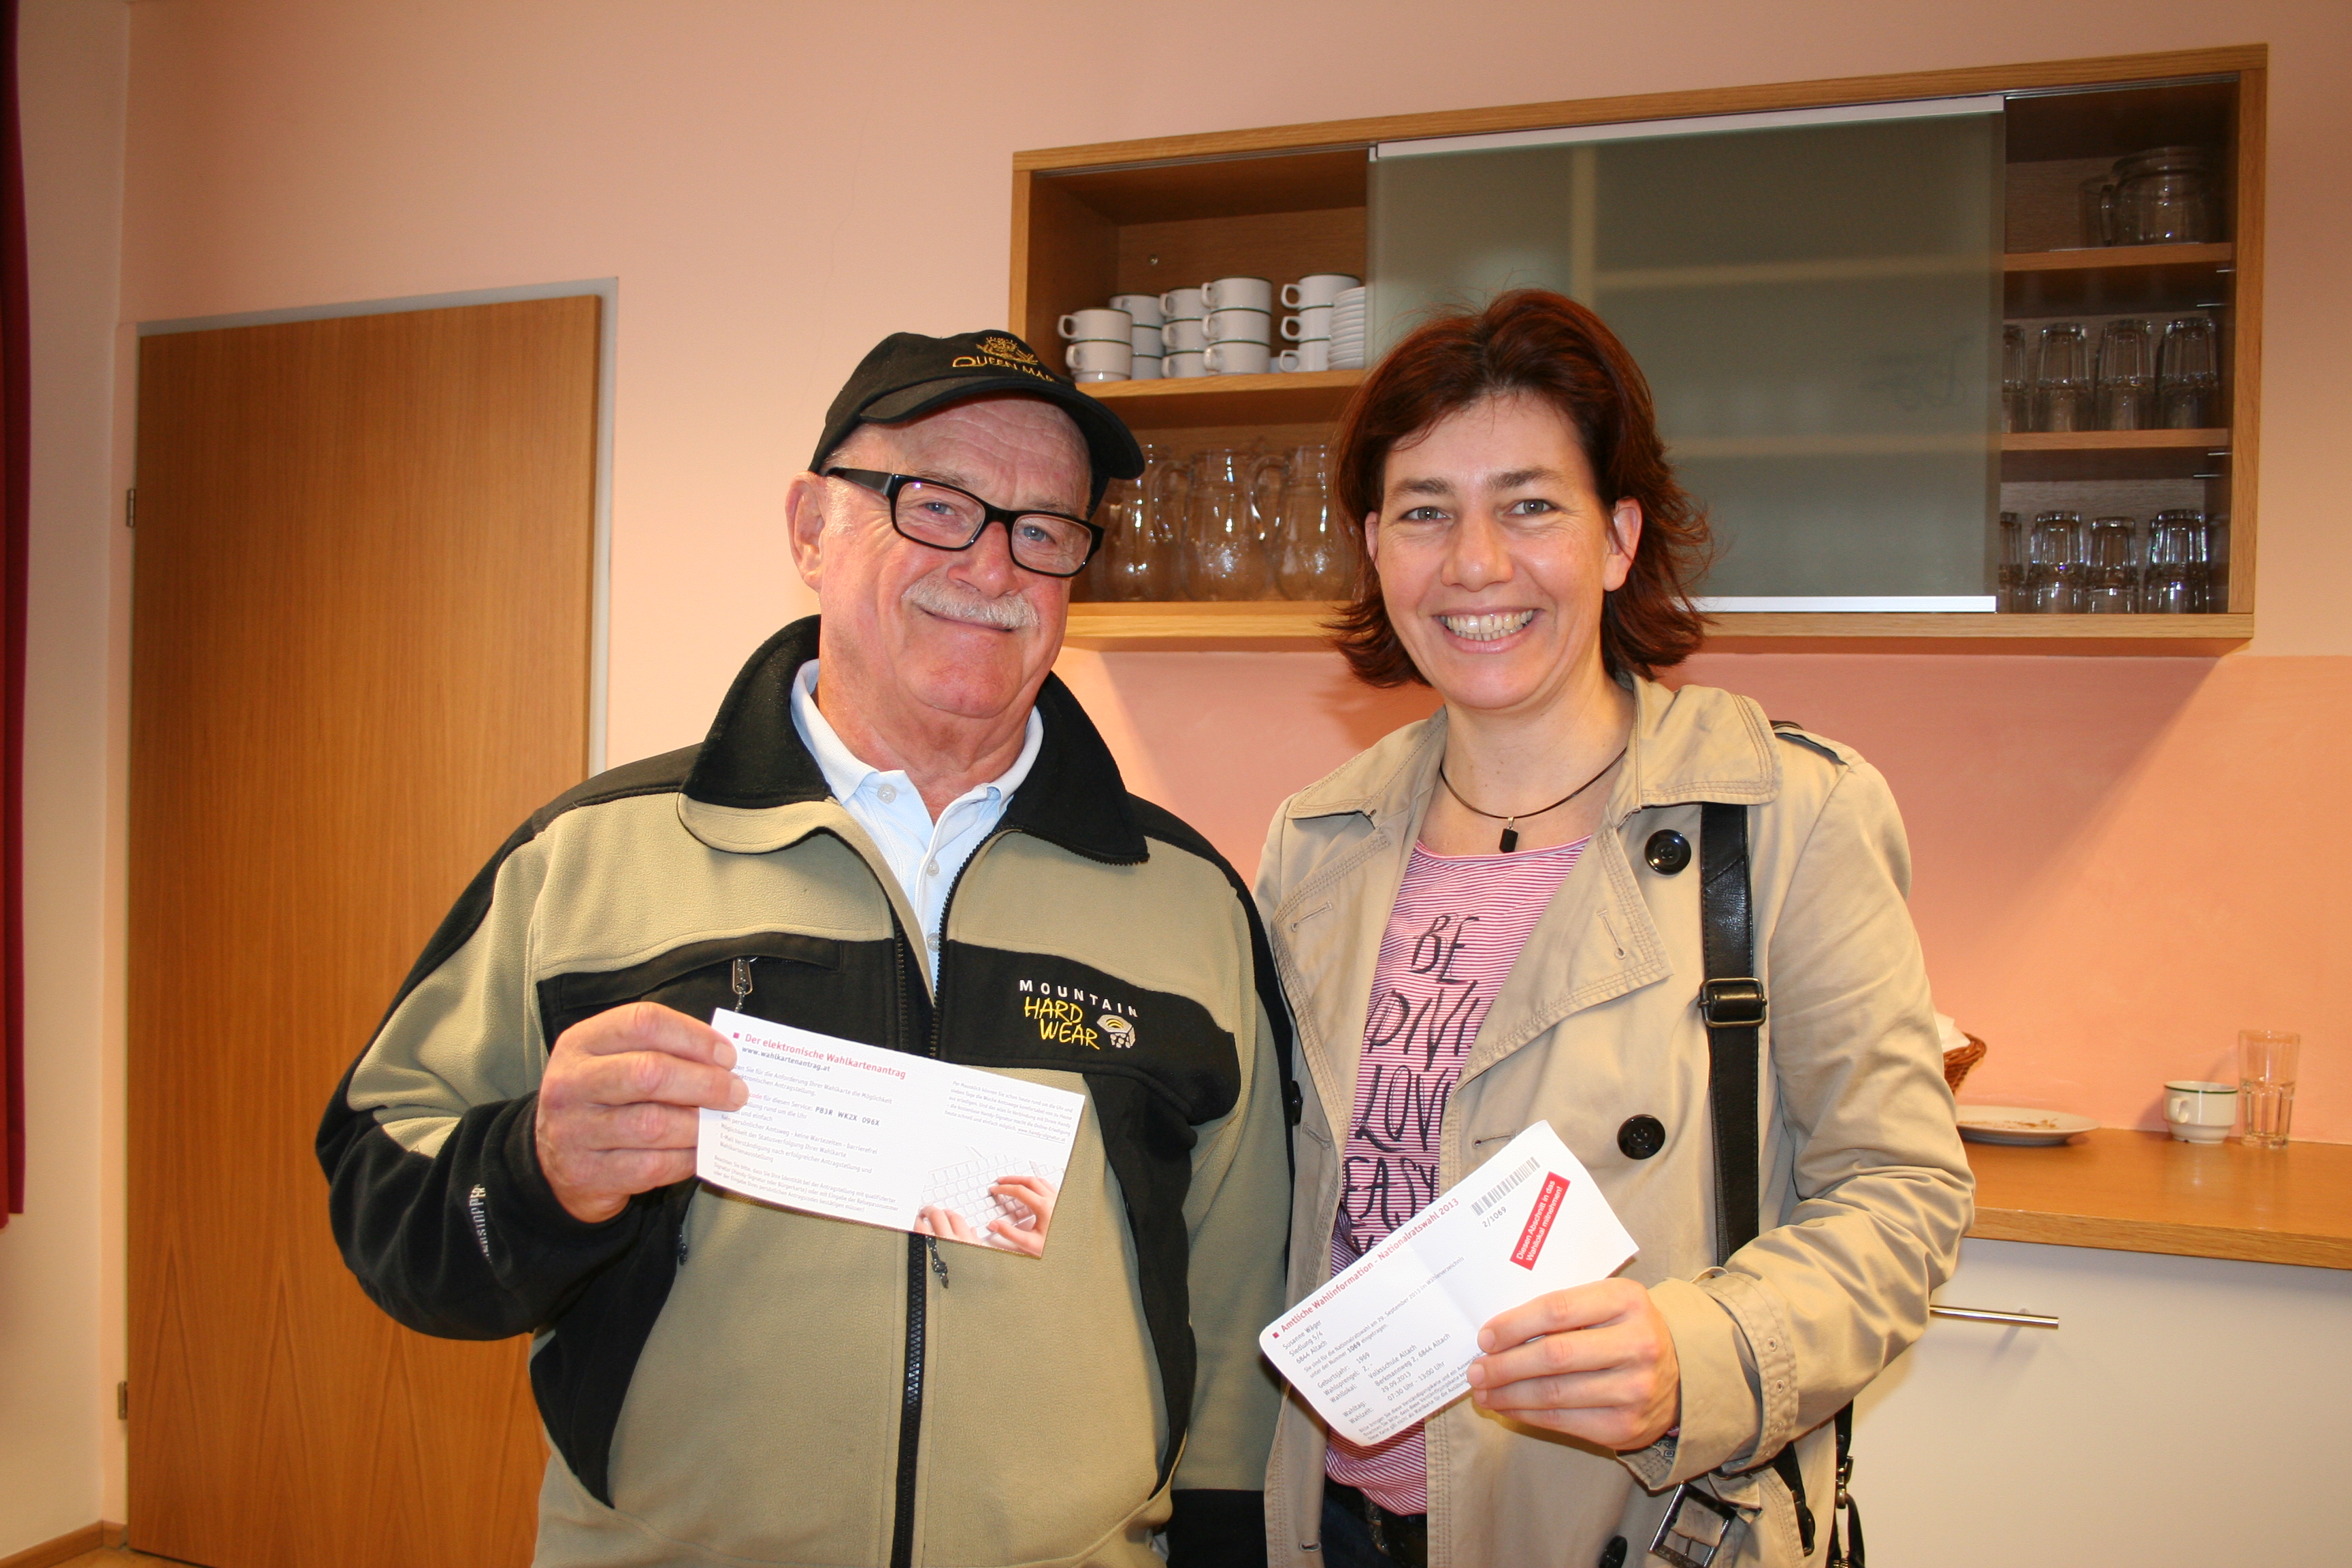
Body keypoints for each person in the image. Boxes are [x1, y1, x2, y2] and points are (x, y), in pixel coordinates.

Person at [318, 329, 1292, 1568]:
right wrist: (535, 1171)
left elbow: (1239, 1276)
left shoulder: (1188, 900)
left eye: (1045, 528)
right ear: (811, 529)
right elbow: (384, 1183)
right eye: (935, 504)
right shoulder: (586, 861)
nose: (992, 563)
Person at [1254, 291, 1973, 1568]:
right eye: (1424, 511)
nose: (1476, 563)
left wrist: (1703, 1356)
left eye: (1531, 504)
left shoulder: (1785, 813)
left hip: (1630, 1523)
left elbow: (1902, 1195)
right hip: (1338, 1525)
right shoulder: (1317, 839)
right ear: (1374, 545)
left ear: (1619, 538)